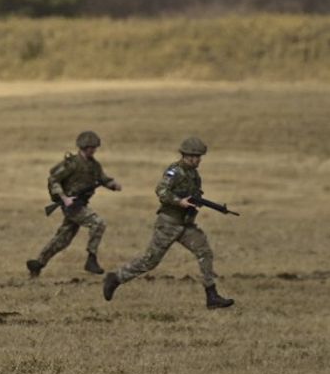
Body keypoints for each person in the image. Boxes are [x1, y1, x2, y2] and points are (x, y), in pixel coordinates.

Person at [103, 137, 234, 309]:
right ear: (187, 155)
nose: (199, 159)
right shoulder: (175, 171)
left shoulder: (194, 175)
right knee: (150, 261)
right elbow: (161, 191)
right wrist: (179, 202)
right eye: (196, 156)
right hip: (169, 223)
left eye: (200, 156)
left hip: (185, 225)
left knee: (204, 252)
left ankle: (212, 295)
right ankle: (116, 278)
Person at [28, 130, 121, 278]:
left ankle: (38, 263)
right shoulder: (72, 164)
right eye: (91, 147)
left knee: (63, 239)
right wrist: (64, 198)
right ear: (84, 147)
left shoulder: (94, 165)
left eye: (95, 147)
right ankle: (91, 259)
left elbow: (102, 179)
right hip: (71, 205)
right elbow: (54, 179)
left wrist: (112, 184)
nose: (94, 150)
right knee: (98, 223)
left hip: (80, 203)